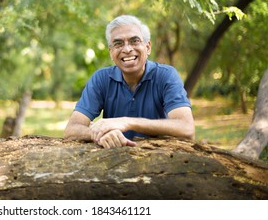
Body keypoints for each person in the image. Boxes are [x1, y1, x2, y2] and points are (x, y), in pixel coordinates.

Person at [64, 15, 195, 149]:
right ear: (111, 52)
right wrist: (98, 133)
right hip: (113, 162)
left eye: (134, 41)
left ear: (148, 47)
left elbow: (187, 129)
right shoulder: (101, 79)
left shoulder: (166, 75)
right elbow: (71, 130)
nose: (127, 49)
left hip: (161, 161)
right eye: (118, 44)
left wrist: (127, 122)